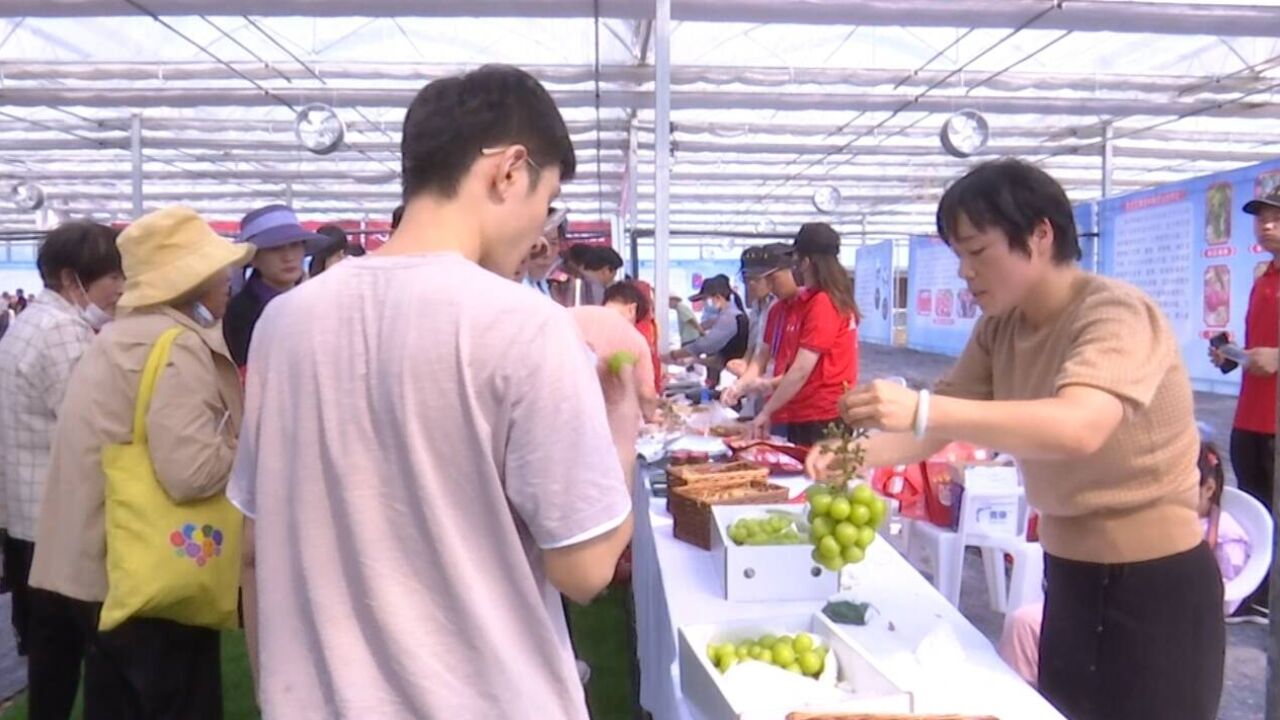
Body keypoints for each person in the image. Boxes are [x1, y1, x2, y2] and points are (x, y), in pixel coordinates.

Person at [228, 65, 633, 720]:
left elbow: (253, 544)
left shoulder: (285, 322)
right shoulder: (526, 325)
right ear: (509, 170)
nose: (540, 231)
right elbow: (586, 568)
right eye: (547, 201)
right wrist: (622, 425)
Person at [808, 159, 1223, 720]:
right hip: (1071, 579)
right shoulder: (1001, 327)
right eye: (958, 257)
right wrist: (851, 457)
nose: (965, 273)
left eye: (978, 252)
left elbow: (1079, 426)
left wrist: (922, 407)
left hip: (1156, 587)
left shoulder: (1115, 313)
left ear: (1040, 234)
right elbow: (937, 429)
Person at [27, 207, 252, 720]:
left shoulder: (123, 336)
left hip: (101, 566)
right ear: (191, 282)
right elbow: (190, 471)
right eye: (218, 270)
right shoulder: (175, 346)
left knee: (117, 700)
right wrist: (249, 444)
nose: (227, 281)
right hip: (150, 574)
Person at [998, 442, 1251, 686]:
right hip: (1112, 605)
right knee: (1023, 622)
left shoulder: (1226, 536)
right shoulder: (1155, 518)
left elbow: (1223, 596)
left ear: (1207, 488)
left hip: (1153, 619)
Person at [0, 222, 123, 671]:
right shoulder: (63, 333)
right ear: (73, 280)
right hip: (61, 525)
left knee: (52, 661)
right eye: (113, 278)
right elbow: (91, 431)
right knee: (95, 657)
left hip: (27, 518)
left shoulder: (34, 321)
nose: (121, 291)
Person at [1210, 186, 1280, 621]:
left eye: (1276, 217)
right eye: (1261, 218)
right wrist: (1231, 355)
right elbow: (1260, 351)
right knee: (1259, 512)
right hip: (1250, 418)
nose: (1266, 225)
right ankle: (1259, 594)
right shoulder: (1263, 281)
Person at [725, 225, 858, 446]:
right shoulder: (782, 308)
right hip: (796, 410)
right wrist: (743, 386)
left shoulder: (823, 303)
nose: (767, 287)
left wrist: (766, 409)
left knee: (818, 477)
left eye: (772, 279)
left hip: (822, 415)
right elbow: (764, 356)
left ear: (802, 263)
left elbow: (802, 370)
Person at [570, 281, 660, 493]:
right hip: (607, 443)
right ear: (632, 309)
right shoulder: (633, 338)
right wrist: (651, 414)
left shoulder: (566, 316)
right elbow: (647, 395)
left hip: (559, 433)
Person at [222, 204, 326, 368]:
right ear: (253, 258)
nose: (288, 257)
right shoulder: (241, 313)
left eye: (295, 245)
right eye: (275, 248)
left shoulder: (315, 302)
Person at [667, 275, 747, 389]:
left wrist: (673, 355)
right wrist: (694, 360)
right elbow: (719, 359)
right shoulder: (726, 315)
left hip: (736, 378)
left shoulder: (730, 316)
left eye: (705, 299)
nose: (704, 304)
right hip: (734, 377)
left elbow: (706, 345)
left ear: (718, 297)